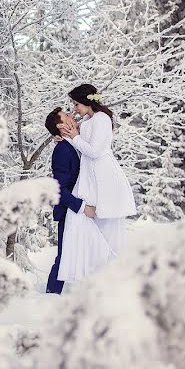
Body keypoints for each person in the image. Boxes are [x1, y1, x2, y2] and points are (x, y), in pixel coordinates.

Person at [56, 84, 136, 282]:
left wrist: (74, 138)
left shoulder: (102, 119)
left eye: (76, 104)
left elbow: (95, 151)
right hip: (90, 176)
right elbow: (80, 144)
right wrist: (65, 139)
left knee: (107, 228)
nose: (74, 108)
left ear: (86, 101)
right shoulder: (87, 120)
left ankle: (113, 277)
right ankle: (93, 276)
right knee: (88, 226)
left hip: (103, 174)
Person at [44, 108, 86, 294]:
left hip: (78, 208)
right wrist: (81, 207)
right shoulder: (62, 150)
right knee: (64, 255)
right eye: (67, 116)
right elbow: (58, 188)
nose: (71, 115)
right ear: (61, 125)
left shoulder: (73, 142)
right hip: (70, 210)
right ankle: (51, 295)